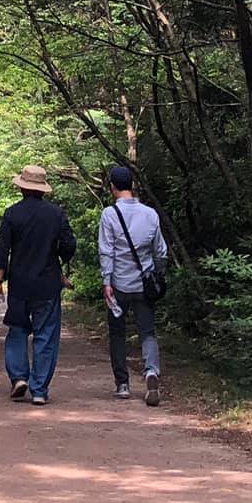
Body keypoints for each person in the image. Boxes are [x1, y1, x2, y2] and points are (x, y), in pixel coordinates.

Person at [0, 163, 76, 405]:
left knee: (17, 330)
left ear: (22, 188)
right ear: (43, 189)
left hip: (19, 284)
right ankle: (39, 389)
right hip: (47, 284)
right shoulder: (56, 214)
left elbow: (2, 249)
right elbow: (69, 244)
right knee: (46, 336)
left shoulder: (12, 214)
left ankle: (18, 377)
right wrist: (61, 259)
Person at [99, 164, 168, 405]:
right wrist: (157, 274)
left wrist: (106, 281)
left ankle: (123, 384)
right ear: (132, 185)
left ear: (112, 188)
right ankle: (151, 372)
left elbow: (107, 250)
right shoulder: (150, 214)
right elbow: (161, 251)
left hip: (118, 284)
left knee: (117, 333)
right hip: (144, 284)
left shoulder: (109, 214)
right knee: (147, 332)